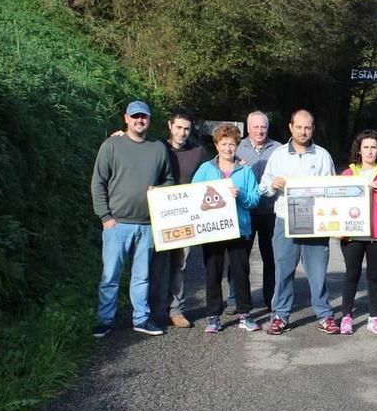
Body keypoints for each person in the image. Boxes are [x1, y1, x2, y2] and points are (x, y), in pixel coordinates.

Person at [90, 100, 174, 338]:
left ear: (149, 119)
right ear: (126, 118)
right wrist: (105, 217)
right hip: (117, 223)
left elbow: (168, 179)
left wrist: (159, 189)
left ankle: (141, 318)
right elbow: (98, 182)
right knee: (111, 276)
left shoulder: (158, 147)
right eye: (135, 116)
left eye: (144, 116)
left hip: (147, 224)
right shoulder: (112, 145)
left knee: (142, 277)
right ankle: (104, 320)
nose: (140, 120)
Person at [259, 110, 339, 335]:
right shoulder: (278, 155)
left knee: (318, 273)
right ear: (290, 127)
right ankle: (280, 316)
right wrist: (273, 183)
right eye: (299, 127)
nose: (303, 131)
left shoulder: (323, 155)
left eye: (308, 127)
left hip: (316, 224)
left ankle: (324, 315)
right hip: (285, 222)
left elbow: (332, 190)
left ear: (313, 129)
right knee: (283, 271)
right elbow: (263, 188)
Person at [191, 124, 261, 333]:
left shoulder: (245, 170)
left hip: (239, 228)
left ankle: (245, 314)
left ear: (237, 146)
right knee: (213, 271)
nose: (228, 148)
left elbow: (255, 199)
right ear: (216, 145)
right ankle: (213, 316)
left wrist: (241, 195)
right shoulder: (206, 169)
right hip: (212, 230)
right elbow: (193, 195)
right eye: (224, 144)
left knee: (240, 272)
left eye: (232, 144)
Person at [338, 130, 377, 335]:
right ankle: (346, 316)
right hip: (353, 233)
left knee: (374, 277)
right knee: (351, 275)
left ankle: (374, 318)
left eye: (373, 147)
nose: (369, 151)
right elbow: (336, 203)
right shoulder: (348, 174)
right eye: (365, 147)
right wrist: (338, 228)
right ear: (359, 149)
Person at [148, 107, 207, 329]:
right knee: (157, 266)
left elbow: (215, 171)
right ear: (170, 126)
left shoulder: (199, 151)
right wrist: (119, 135)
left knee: (179, 266)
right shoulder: (156, 147)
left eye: (187, 129)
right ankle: (155, 311)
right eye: (179, 127)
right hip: (159, 217)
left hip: (187, 219)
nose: (182, 133)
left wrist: (237, 163)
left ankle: (176, 310)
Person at [229, 110, 282, 313]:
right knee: (239, 258)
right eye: (256, 127)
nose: (260, 131)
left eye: (263, 127)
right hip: (244, 212)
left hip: (270, 212)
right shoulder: (236, 148)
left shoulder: (278, 149)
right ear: (248, 128)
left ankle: (271, 299)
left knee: (271, 258)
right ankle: (236, 298)